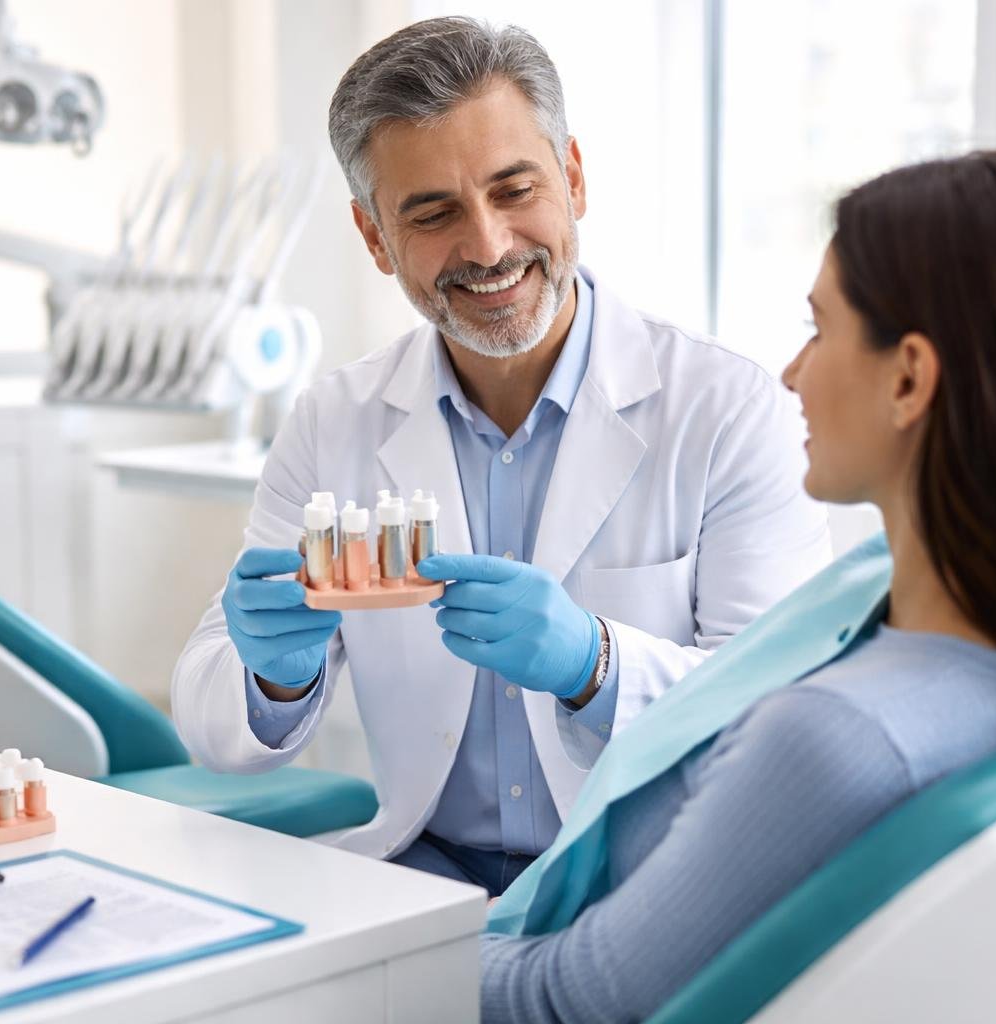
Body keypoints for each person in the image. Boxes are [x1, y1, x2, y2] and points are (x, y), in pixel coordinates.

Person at [477, 149, 996, 1022]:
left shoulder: (840, 736)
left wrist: (359, 962)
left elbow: (567, 1002)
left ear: (908, 378)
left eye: (820, 328)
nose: (793, 373)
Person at [170, 17, 829, 891]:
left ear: (575, 179)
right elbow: (214, 723)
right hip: (422, 874)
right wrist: (272, 678)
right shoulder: (335, 420)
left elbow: (777, 721)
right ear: (374, 238)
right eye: (434, 213)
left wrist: (594, 664)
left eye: (515, 189)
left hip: (636, 876)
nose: (487, 245)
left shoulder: (732, 410)